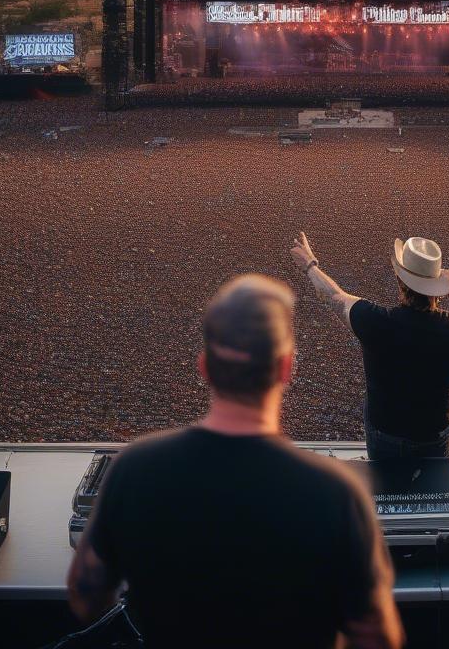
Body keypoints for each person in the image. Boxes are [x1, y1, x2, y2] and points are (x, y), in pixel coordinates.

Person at [67, 274, 403, 649]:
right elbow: (376, 636)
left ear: (205, 367)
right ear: (285, 368)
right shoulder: (335, 493)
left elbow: (86, 592)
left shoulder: (136, 469)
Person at [290, 233, 449, 460]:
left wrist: (310, 265)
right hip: (433, 436)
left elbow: (335, 297)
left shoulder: (376, 321)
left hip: (385, 434)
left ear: (400, 281)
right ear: (437, 287)